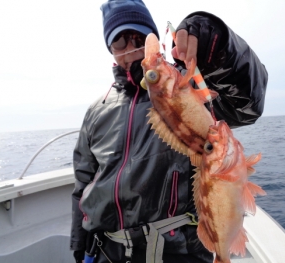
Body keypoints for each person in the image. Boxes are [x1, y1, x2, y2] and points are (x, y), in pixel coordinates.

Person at [70, 0, 268, 262]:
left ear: (151, 38)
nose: (130, 47)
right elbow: (84, 180)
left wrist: (218, 47)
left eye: (137, 36)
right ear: (110, 49)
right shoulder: (97, 110)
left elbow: (248, 102)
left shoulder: (192, 87)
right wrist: (79, 241)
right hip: (108, 251)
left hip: (177, 252)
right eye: (119, 41)